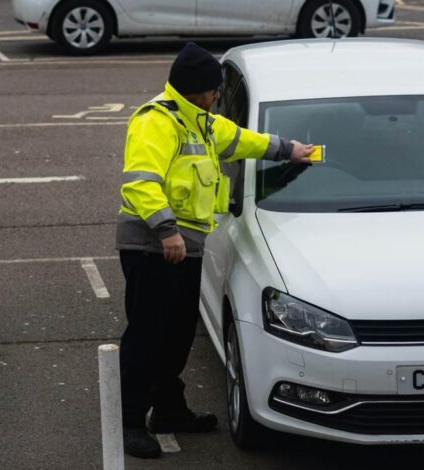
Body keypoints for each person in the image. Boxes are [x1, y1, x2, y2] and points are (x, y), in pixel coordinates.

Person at [115, 42, 314, 459]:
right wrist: (165, 231)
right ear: (194, 90)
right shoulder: (157, 122)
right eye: (213, 89)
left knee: (176, 336)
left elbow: (242, 139)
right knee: (147, 337)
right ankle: (130, 422)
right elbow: (140, 183)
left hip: (184, 248)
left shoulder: (201, 122)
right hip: (153, 248)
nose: (219, 96)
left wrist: (289, 150)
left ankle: (168, 409)